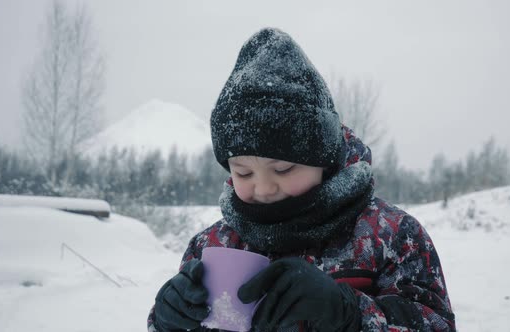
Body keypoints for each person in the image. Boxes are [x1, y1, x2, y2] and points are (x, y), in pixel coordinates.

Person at [148, 27, 455, 332]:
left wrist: (350, 313)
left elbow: (437, 325)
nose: (264, 188)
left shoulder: (392, 236)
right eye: (243, 172)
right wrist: (166, 320)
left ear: (324, 160)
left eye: (283, 169)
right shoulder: (211, 245)